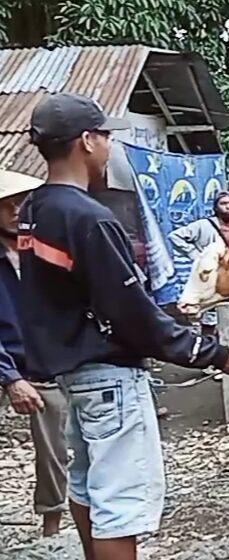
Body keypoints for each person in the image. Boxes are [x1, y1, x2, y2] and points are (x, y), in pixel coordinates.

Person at [18, 93, 229, 560]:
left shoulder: (33, 211)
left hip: (72, 376)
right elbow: (133, 314)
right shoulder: (89, 218)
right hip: (109, 379)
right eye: (106, 137)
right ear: (87, 141)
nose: (109, 147)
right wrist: (214, 353)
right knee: (119, 506)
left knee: (86, 488)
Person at [0, 170, 69, 537]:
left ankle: (52, 527)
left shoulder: (43, 250)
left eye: (20, 203)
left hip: (42, 360)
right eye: (6, 205)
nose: (15, 211)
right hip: (7, 357)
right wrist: (10, 379)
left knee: (55, 446)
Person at [169, 191, 229, 337]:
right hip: (211, 273)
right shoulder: (203, 225)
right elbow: (175, 236)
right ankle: (208, 343)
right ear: (216, 207)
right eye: (223, 204)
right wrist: (197, 255)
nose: (228, 207)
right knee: (209, 312)